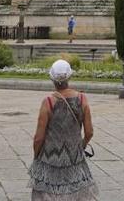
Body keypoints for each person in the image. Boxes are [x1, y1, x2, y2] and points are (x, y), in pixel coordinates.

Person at [29, 59, 98, 200]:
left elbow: (39, 138)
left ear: (52, 78)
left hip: (50, 159)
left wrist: (37, 156)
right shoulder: (82, 99)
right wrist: (81, 146)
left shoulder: (48, 102)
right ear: (69, 77)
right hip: (75, 158)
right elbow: (89, 132)